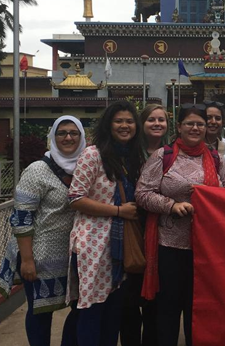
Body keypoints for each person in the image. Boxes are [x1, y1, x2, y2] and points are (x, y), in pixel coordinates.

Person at [136, 106, 225, 346]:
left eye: (200, 124)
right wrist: (171, 205)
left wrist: (211, 199)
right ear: (179, 127)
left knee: (199, 309)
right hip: (169, 246)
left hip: (206, 249)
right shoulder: (163, 156)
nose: (195, 128)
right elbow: (142, 193)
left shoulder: (216, 159)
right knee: (168, 308)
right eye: (189, 123)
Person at [0, 115, 85, 346]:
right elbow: (21, 218)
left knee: (80, 309)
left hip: (74, 256)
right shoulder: (37, 170)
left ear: (82, 137)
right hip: (39, 256)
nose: (68, 138)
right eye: (62, 133)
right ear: (53, 138)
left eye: (73, 133)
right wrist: (27, 260)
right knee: (40, 312)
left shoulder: (87, 168)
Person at [68, 101, 143, 346]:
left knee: (113, 313)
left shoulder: (133, 158)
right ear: (108, 125)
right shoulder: (93, 154)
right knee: (92, 310)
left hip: (120, 246)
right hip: (93, 245)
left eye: (129, 121)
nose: (124, 126)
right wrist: (118, 211)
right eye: (118, 121)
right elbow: (76, 197)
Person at [123, 105, 165, 346]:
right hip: (132, 226)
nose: (156, 124)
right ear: (142, 123)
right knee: (129, 296)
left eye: (161, 119)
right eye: (151, 119)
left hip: (161, 228)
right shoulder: (129, 154)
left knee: (155, 298)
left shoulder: (173, 153)